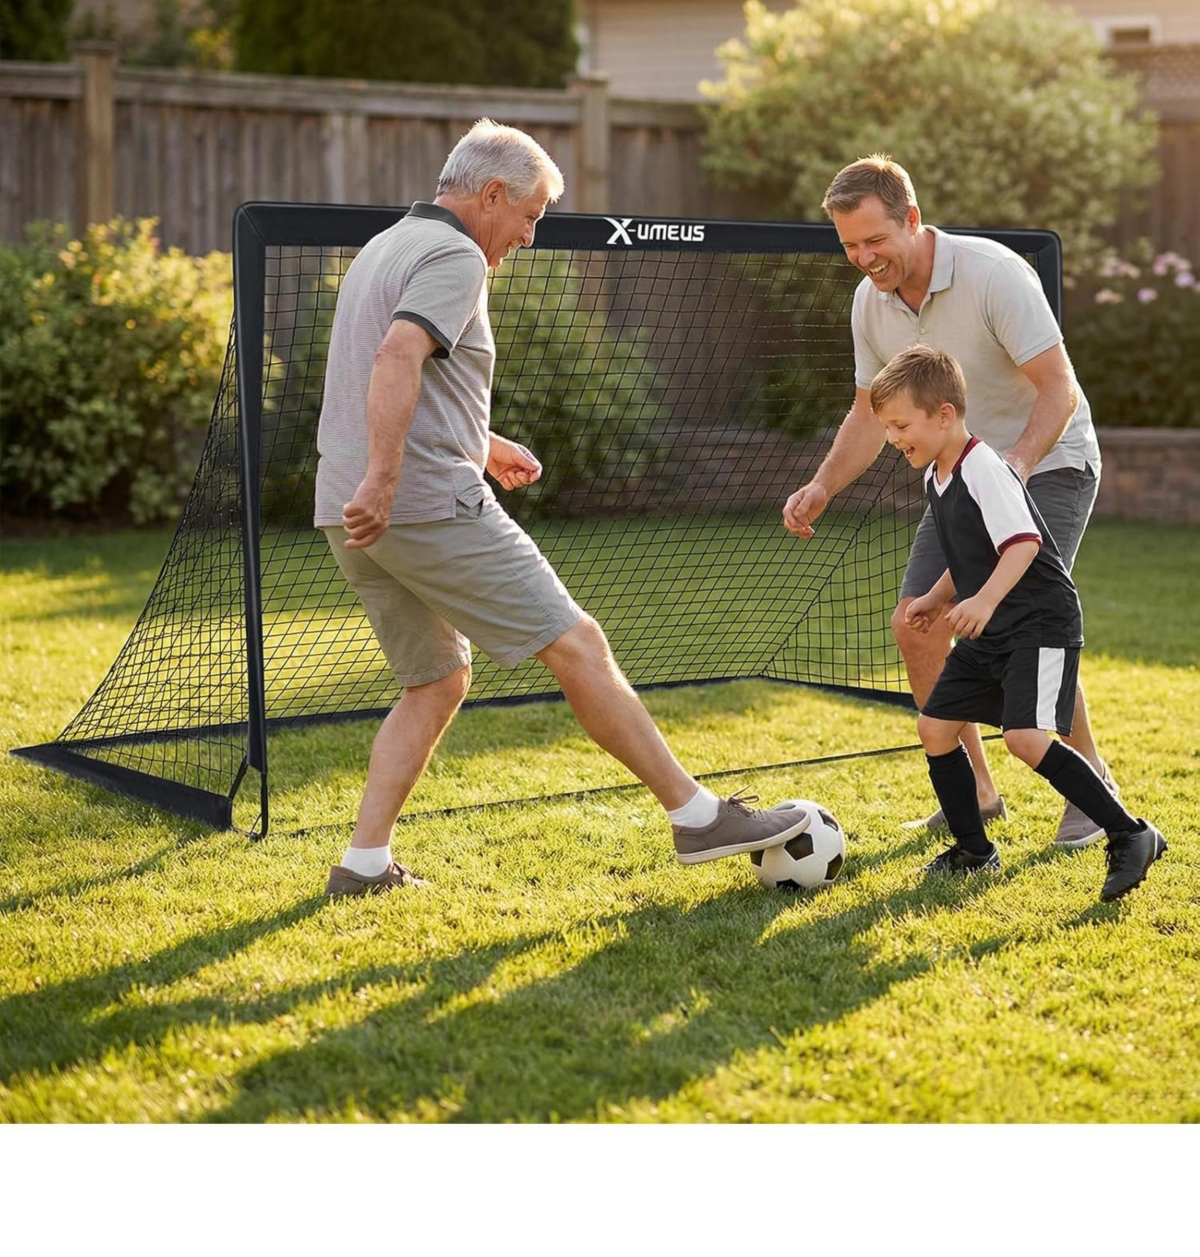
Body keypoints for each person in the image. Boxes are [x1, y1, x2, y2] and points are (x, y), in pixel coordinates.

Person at [315, 118, 810, 896]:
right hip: (417, 503)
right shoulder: (454, 254)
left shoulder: (387, 245)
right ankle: (696, 815)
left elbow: (390, 377)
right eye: (530, 214)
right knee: (578, 643)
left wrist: (479, 441)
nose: (529, 235)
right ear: (490, 194)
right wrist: (386, 479)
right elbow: (397, 357)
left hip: (346, 512)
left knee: (436, 681)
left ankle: (364, 863)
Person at [783, 154, 1116, 848]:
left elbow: (1059, 386)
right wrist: (822, 485)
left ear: (912, 219)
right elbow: (869, 414)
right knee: (918, 623)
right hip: (959, 480)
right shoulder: (870, 303)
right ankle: (977, 794)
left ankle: (1092, 787)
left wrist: (1014, 467)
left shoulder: (993, 273)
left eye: (876, 240)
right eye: (850, 246)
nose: (864, 258)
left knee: (1028, 620)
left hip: (1048, 463)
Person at [867, 345, 1165, 901]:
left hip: (1038, 622)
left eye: (900, 425)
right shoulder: (936, 474)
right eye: (887, 428)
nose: (892, 438)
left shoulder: (985, 467)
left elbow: (1022, 544)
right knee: (934, 728)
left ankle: (1131, 833)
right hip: (996, 626)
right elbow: (968, 552)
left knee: (1025, 739)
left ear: (944, 415)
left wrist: (981, 603)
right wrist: (936, 598)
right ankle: (975, 851)